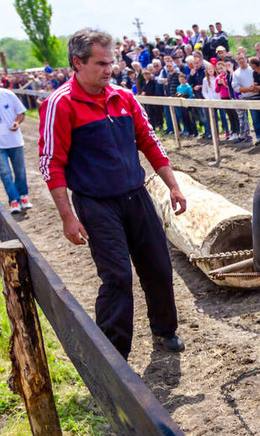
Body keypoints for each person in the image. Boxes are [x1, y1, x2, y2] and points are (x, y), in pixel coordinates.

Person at [39, 28, 187, 359]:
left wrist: (172, 185)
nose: (109, 70)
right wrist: (67, 216)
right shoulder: (60, 104)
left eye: (112, 62)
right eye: (101, 63)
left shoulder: (124, 97)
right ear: (77, 63)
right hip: (96, 203)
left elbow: (149, 141)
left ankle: (165, 329)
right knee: (117, 276)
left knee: (158, 266)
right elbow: (52, 163)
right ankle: (114, 354)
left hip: (136, 194)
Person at [0, 87, 30, 213]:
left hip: (14, 141)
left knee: (20, 171)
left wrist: (17, 122)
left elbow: (21, 113)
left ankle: (23, 196)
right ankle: (13, 200)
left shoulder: (8, 94)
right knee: (5, 173)